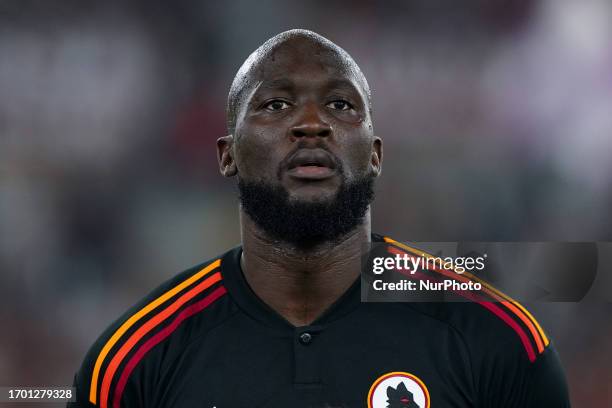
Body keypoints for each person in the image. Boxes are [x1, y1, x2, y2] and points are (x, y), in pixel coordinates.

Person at [69, 29, 570, 408]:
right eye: (275, 104)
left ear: (374, 154)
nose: (311, 124)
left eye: (339, 104)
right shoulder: (133, 360)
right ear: (227, 156)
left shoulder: (497, 339)